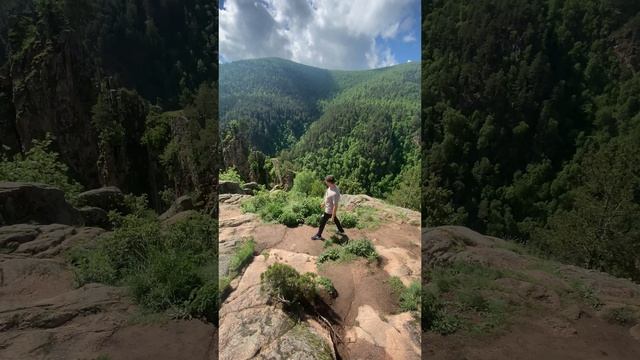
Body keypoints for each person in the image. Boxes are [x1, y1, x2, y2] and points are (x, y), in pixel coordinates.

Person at [311, 175, 345, 240]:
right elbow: (327, 195)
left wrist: (332, 215)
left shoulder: (334, 192)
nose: (325, 182)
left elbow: (335, 205)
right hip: (328, 208)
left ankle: (318, 235)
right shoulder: (331, 187)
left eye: (326, 181)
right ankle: (341, 230)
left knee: (322, 222)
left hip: (329, 211)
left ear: (329, 182)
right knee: (335, 219)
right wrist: (324, 203)